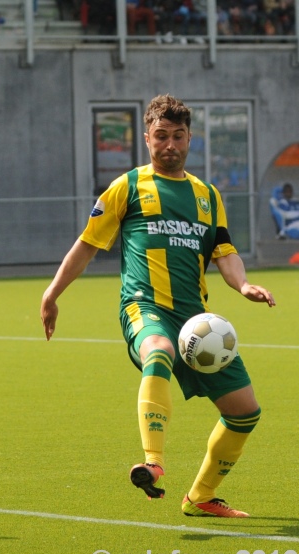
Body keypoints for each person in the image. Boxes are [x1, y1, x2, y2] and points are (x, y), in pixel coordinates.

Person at [40, 94, 275, 518]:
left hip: (198, 324)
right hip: (144, 308)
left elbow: (224, 250)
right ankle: (152, 461)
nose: (170, 144)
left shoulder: (207, 195)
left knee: (245, 413)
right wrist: (52, 294)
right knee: (159, 353)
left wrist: (242, 285)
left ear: (189, 139)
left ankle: (200, 498)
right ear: (147, 138)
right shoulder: (127, 187)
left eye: (178, 136)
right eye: (161, 136)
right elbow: (87, 244)